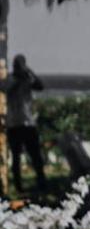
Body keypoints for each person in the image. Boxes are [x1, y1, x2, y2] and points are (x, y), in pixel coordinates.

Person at [1, 54, 46, 192]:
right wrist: (20, 78)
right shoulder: (10, 79)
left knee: (35, 155)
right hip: (14, 123)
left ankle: (41, 182)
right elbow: (6, 88)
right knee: (16, 157)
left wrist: (30, 72)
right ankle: (19, 186)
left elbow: (40, 86)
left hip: (28, 122)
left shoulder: (28, 79)